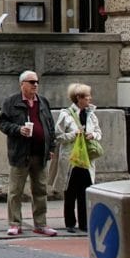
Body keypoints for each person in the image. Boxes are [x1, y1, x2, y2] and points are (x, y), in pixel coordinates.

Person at [0, 70, 58, 236]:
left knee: (40, 190)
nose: (35, 85)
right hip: (20, 153)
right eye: (31, 82)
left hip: (40, 153)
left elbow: (50, 127)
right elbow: (2, 122)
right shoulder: (11, 102)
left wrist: (51, 148)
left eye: (36, 82)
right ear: (22, 84)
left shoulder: (43, 102)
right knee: (15, 191)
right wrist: (18, 129)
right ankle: (15, 223)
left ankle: (41, 224)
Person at [52, 83, 102, 232]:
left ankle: (84, 223)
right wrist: (73, 135)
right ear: (79, 98)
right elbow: (58, 136)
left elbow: (99, 133)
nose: (90, 99)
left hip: (86, 158)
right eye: (87, 96)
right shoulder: (66, 115)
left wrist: (92, 135)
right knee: (70, 191)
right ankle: (70, 223)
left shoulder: (91, 114)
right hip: (71, 159)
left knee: (85, 192)